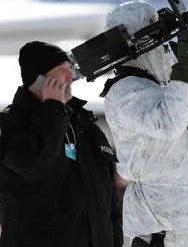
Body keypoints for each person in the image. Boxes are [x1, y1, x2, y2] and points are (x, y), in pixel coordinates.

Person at [101, 0, 188, 247]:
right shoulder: (124, 92)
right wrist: (186, 69)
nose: (161, 39)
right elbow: (169, 122)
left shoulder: (160, 88)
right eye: (151, 29)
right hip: (162, 230)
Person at [0, 41, 124, 247]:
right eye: (61, 70)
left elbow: (109, 202)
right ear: (39, 80)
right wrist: (53, 108)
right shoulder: (11, 124)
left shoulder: (84, 125)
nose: (71, 76)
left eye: (70, 69)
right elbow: (30, 165)